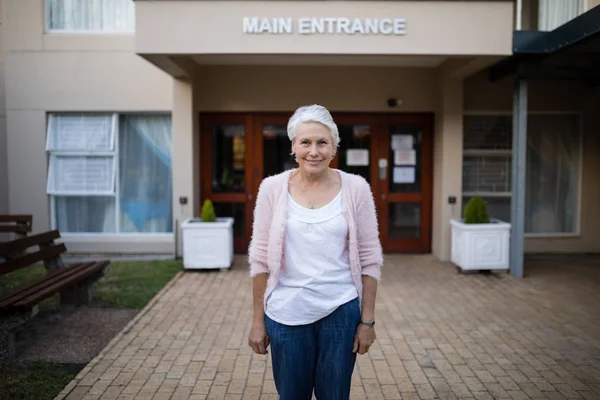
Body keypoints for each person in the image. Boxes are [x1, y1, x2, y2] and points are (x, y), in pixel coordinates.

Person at [247, 104, 383, 400]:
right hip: (285, 314)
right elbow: (259, 261)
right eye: (306, 142)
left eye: (322, 142)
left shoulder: (356, 188)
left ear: (334, 147)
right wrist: (258, 322)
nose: (314, 151)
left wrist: (367, 322)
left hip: (341, 312)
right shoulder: (272, 188)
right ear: (293, 146)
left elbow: (371, 260)